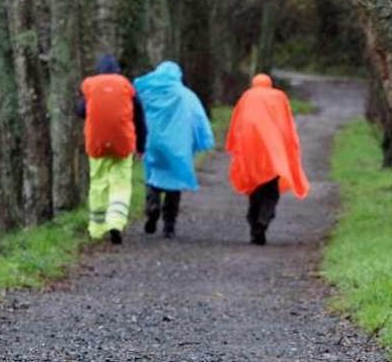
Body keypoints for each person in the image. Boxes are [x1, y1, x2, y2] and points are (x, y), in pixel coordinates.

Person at [225, 74, 309, 245]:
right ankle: (264, 219)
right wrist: (287, 147)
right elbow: (287, 125)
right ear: (269, 84)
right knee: (270, 191)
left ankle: (254, 224)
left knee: (255, 190)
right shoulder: (279, 97)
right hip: (273, 151)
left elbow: (237, 123)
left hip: (250, 151)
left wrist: (234, 145)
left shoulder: (247, 97)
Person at [134, 61, 214, 239]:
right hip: (177, 145)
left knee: (153, 177)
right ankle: (169, 225)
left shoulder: (146, 92)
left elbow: (135, 114)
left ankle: (152, 207)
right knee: (174, 185)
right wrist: (204, 141)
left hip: (152, 143)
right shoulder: (186, 95)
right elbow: (198, 118)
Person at [77, 54, 147, 245]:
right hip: (122, 143)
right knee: (121, 183)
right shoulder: (126, 86)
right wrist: (140, 146)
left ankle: (97, 229)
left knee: (98, 183)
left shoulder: (91, 85)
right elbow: (139, 118)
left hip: (96, 142)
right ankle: (115, 222)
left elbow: (81, 111)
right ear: (117, 70)